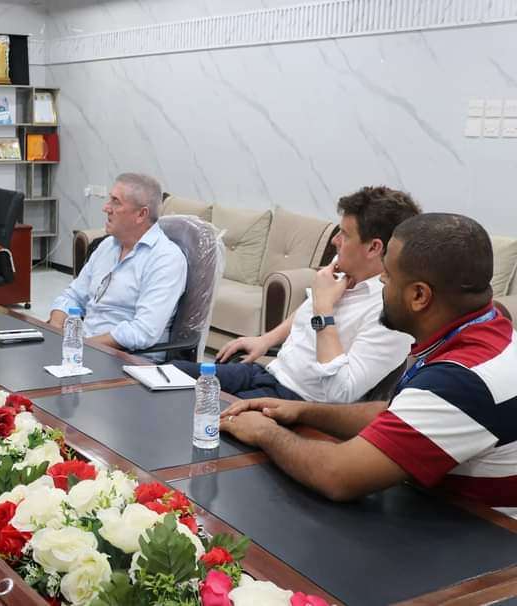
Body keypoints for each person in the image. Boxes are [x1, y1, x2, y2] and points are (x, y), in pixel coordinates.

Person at [221, 213, 516, 517]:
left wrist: (265, 432)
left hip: (483, 533)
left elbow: (338, 476)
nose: (382, 283)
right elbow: (397, 412)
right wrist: (304, 411)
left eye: (387, 276)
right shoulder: (490, 329)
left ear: (418, 295)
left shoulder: (461, 380)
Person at [174, 186, 420, 402]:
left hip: (296, 402)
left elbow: (342, 392)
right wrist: (266, 340)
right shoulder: (342, 267)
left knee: (194, 414)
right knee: (171, 374)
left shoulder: (393, 314)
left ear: (374, 247)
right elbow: (309, 308)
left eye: (344, 234)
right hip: (270, 373)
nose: (335, 240)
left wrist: (324, 310)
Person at [48, 173, 187, 353]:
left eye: (116, 202)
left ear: (141, 214)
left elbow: (143, 331)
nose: (106, 208)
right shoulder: (107, 246)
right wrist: (55, 331)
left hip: (126, 358)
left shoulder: (165, 259)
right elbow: (73, 296)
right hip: (83, 349)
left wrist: (83, 345)